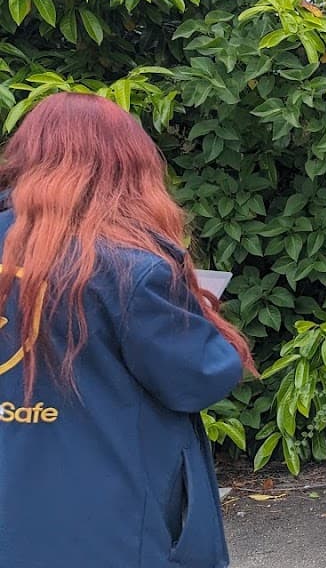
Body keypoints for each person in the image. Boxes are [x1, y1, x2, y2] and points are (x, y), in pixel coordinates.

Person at [0, 92, 256, 567]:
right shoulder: (129, 268)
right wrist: (199, 314)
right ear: (127, 168)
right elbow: (198, 378)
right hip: (105, 524)